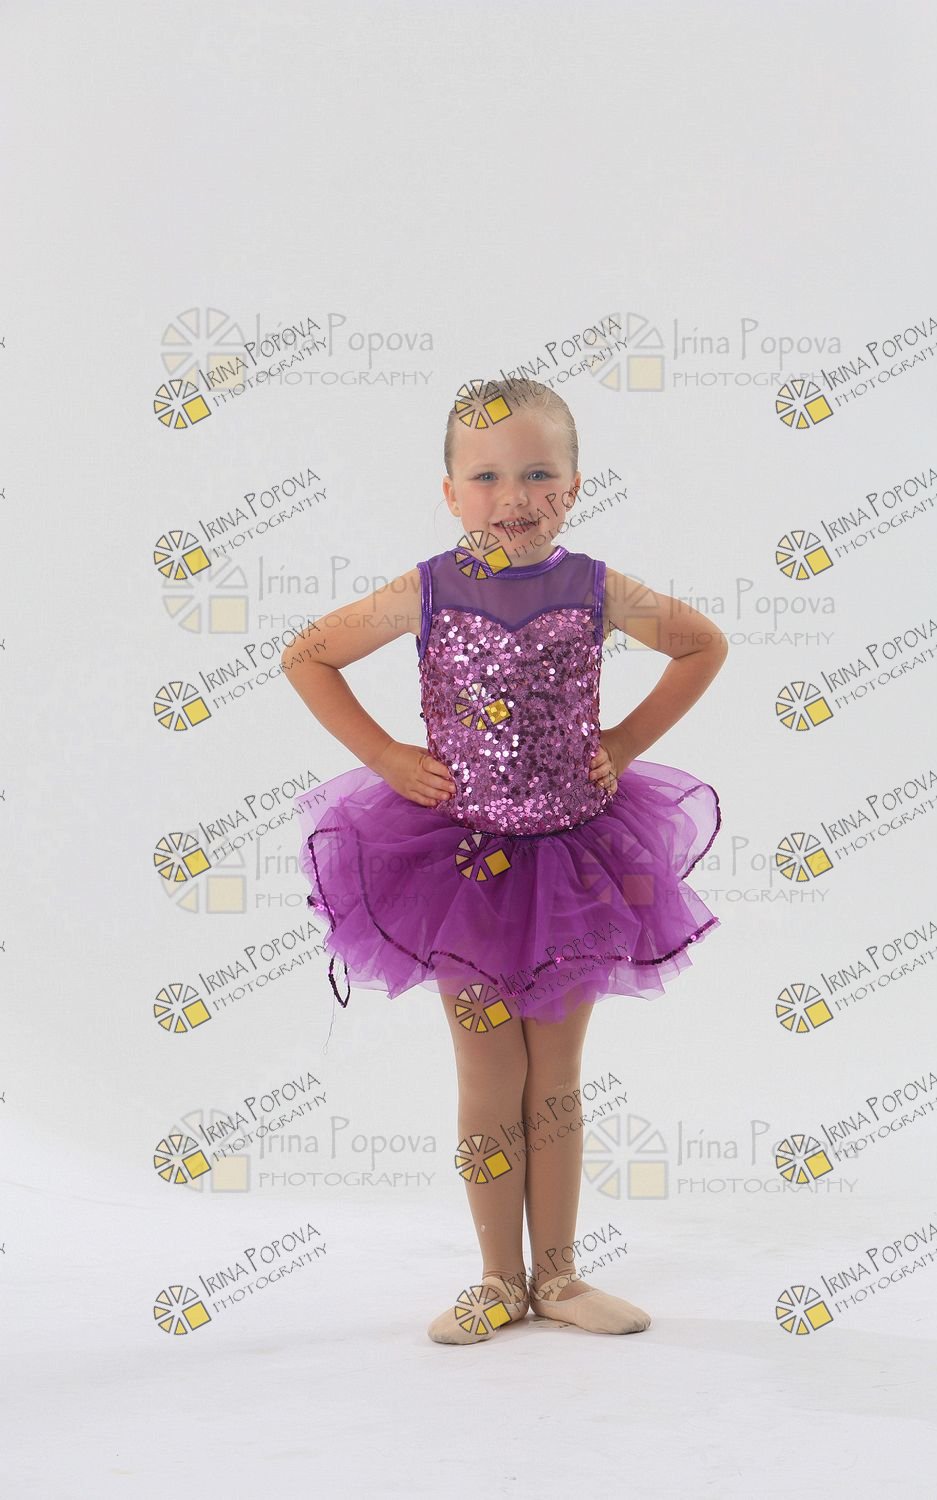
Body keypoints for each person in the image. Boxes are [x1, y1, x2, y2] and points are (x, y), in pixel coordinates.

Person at [281, 376, 727, 1343]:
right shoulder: (428, 589)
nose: (512, 496)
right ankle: (496, 1278)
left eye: (537, 473)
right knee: (489, 1075)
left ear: (574, 485)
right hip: (462, 874)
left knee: (555, 1077)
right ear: (450, 493)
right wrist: (387, 758)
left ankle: (559, 1276)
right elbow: (307, 655)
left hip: (572, 868)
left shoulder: (596, 587)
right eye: (486, 477)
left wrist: (623, 743)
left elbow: (702, 644)